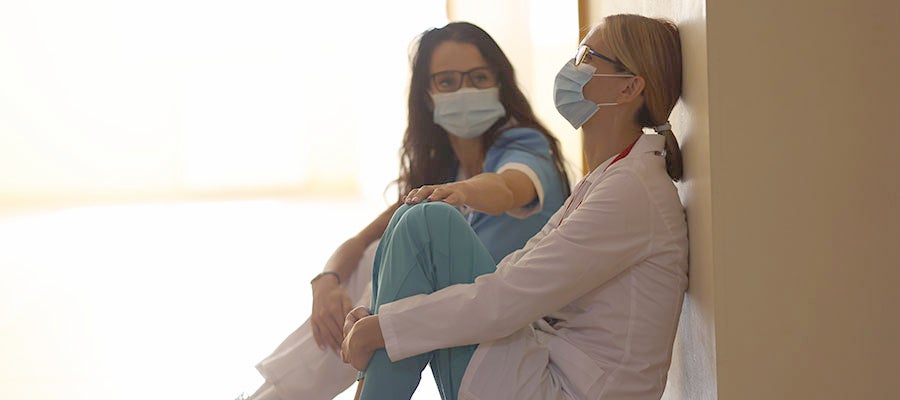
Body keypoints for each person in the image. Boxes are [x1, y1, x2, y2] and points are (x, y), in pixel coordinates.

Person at [341, 14, 688, 400]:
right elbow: (517, 270)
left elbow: (510, 297)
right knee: (414, 216)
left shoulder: (632, 191)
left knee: (426, 220)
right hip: (545, 368)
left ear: (628, 88)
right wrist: (381, 324)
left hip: (566, 389)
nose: (571, 68)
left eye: (586, 55)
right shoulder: (612, 177)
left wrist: (383, 329)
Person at [248, 22, 571, 400]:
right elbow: (361, 241)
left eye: (478, 77)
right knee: (371, 261)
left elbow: (507, 187)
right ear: (427, 95)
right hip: (456, 324)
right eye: (447, 81)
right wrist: (326, 282)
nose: (464, 90)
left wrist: (463, 192)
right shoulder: (443, 169)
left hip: (512, 334)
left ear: (500, 82)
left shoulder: (524, 146)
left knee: (388, 273)